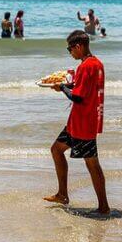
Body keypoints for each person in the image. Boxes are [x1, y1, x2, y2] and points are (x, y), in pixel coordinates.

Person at [44, 30, 109, 215]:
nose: (70, 52)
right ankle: (62, 194)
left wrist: (62, 87)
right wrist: (69, 85)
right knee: (56, 150)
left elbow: (79, 98)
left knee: (92, 164)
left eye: (70, 49)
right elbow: (87, 88)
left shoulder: (85, 66)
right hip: (78, 122)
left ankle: (104, 207)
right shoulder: (96, 63)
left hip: (83, 124)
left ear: (78, 46)